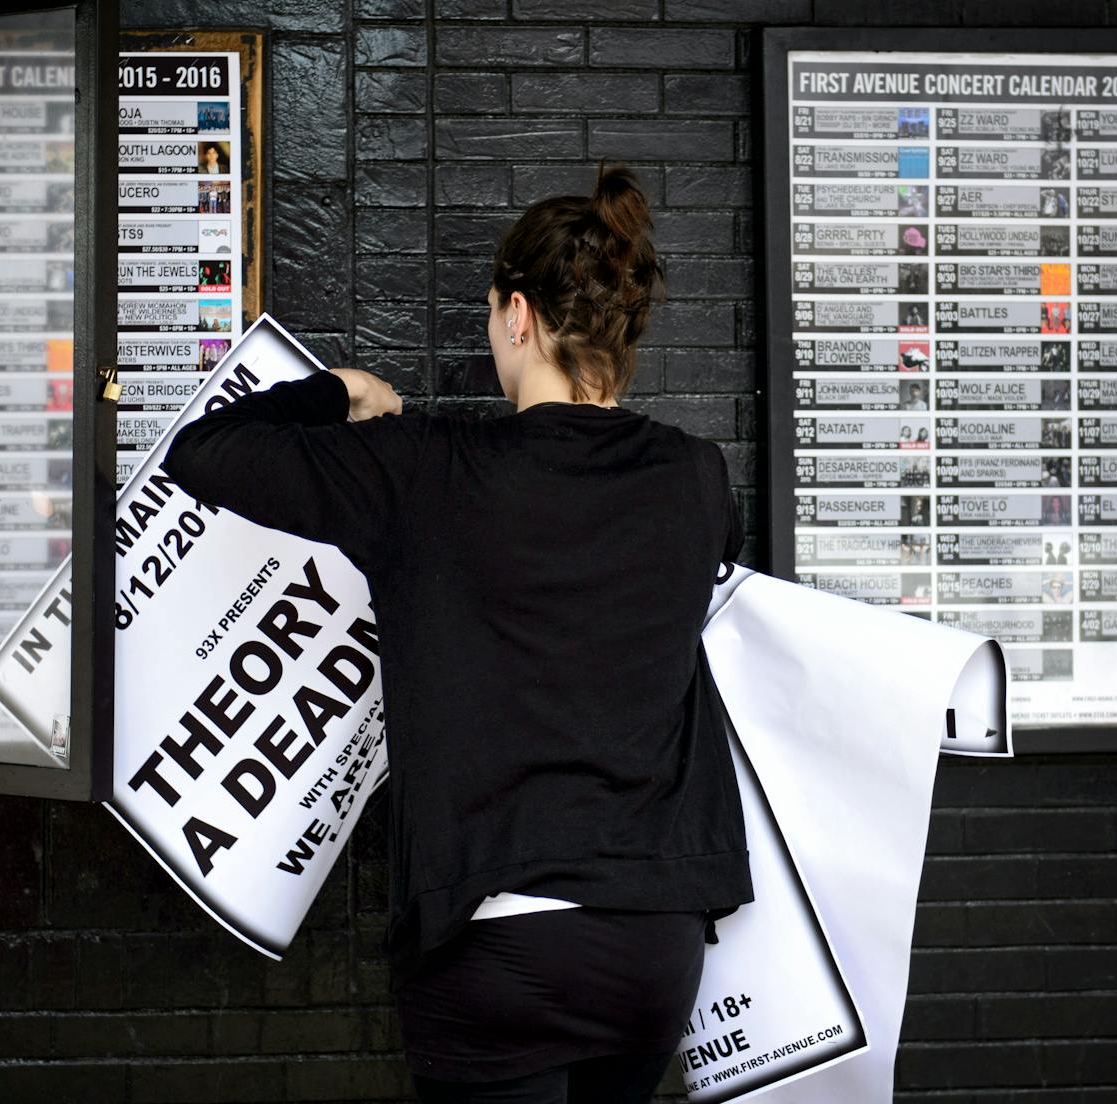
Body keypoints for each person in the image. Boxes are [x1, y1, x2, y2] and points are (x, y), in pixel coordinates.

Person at [164, 166, 750, 1104]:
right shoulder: (694, 478)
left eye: (491, 313)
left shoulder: (425, 471)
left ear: (519, 315)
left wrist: (334, 393)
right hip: (653, 942)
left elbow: (204, 453)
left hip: (495, 941)